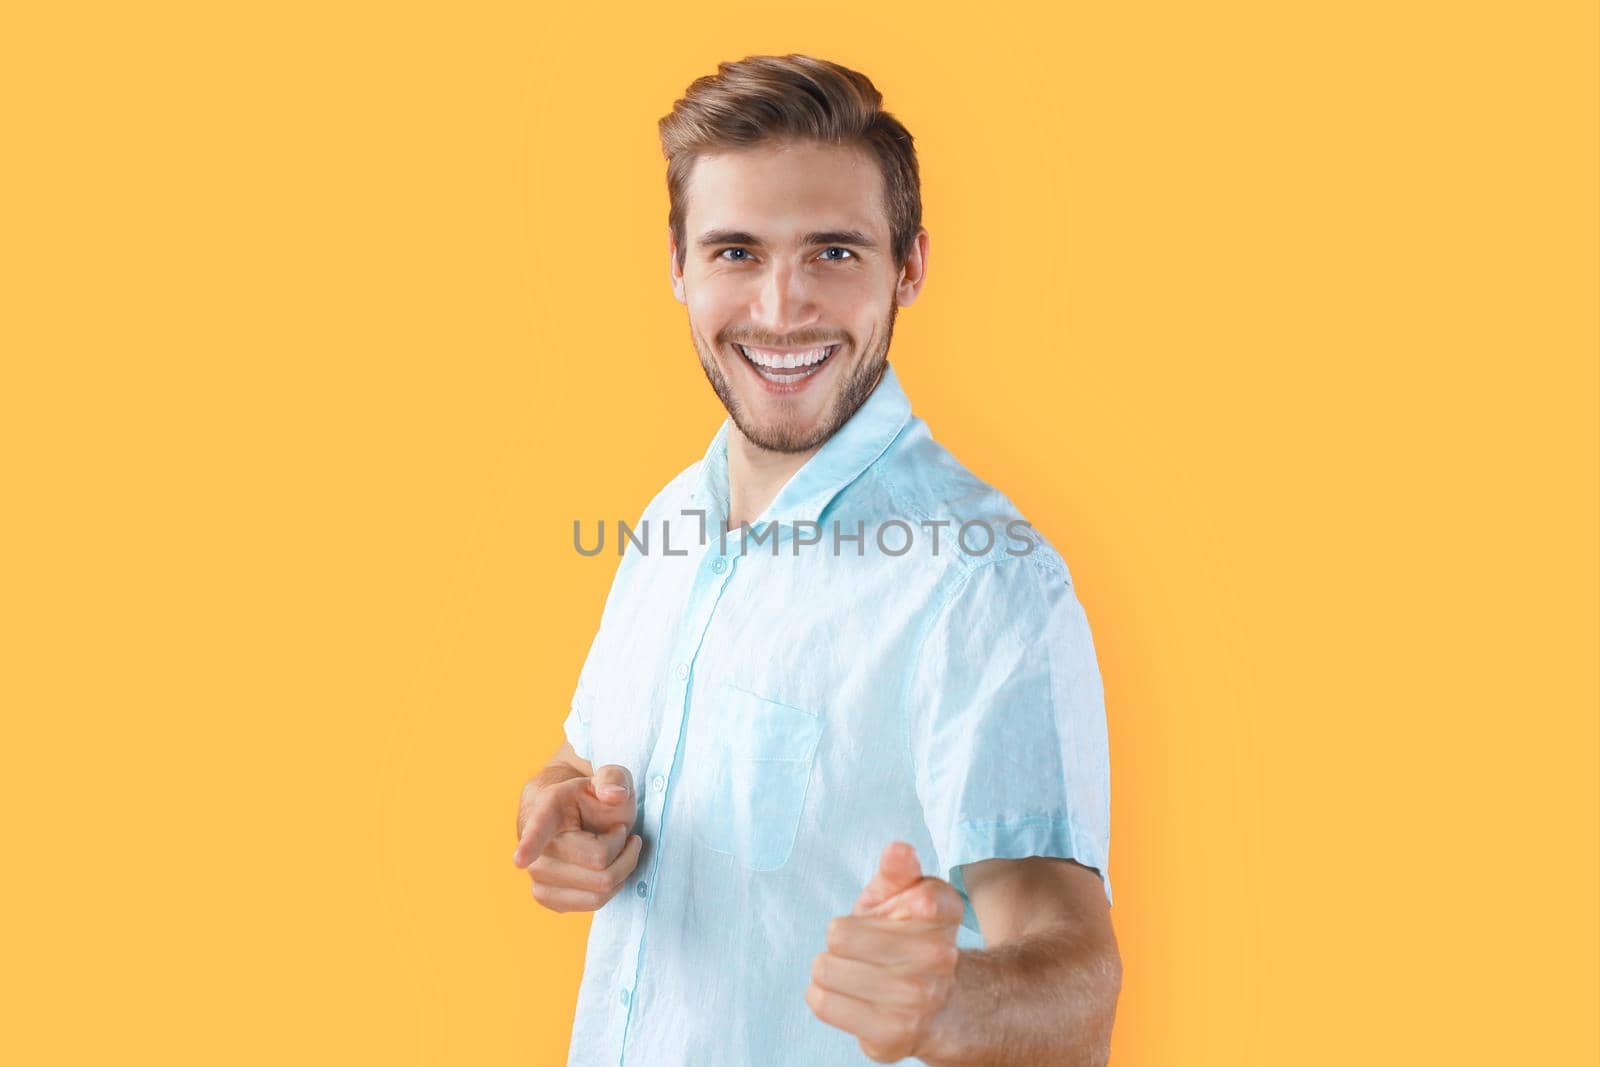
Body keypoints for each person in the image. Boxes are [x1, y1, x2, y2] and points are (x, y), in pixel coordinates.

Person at [512, 53, 1121, 1066]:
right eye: (737, 252)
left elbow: (1076, 976)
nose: (783, 306)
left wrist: (951, 1003)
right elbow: (591, 763)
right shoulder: (670, 521)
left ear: (909, 266)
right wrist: (565, 810)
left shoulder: (982, 577)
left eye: (833, 253)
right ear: (677, 263)